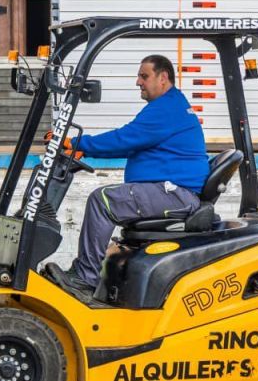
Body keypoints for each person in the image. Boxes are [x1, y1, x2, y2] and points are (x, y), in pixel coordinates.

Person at [44, 54, 209, 300]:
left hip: (174, 195)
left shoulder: (167, 109)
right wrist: (83, 149)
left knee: (103, 201)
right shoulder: (168, 106)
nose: (137, 82)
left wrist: (76, 142)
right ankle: (89, 276)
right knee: (107, 200)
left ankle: (84, 278)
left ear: (163, 78)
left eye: (144, 76)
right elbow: (130, 144)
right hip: (171, 192)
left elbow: (126, 138)